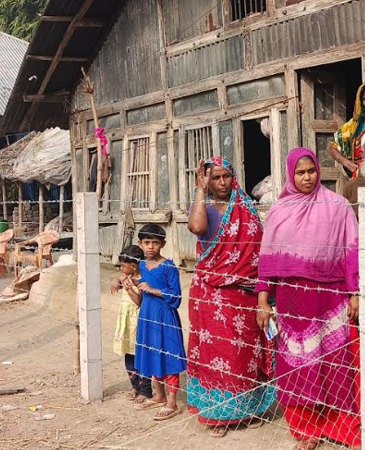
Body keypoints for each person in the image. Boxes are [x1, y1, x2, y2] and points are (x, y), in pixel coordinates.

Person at [255, 148, 361, 450]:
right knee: (299, 362)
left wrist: (355, 293)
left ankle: (342, 427)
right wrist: (263, 300)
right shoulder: (279, 210)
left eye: (311, 171)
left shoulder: (338, 206)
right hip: (292, 299)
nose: (306, 177)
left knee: (335, 360)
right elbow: (268, 259)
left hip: (332, 296)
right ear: (291, 174)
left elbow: (351, 252)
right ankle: (306, 429)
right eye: (300, 172)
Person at [186, 156, 275, 438]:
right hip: (213, 294)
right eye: (215, 178)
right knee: (219, 353)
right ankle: (219, 415)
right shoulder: (205, 207)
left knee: (244, 352)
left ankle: (249, 409)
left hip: (245, 293)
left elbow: (259, 249)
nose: (222, 183)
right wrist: (199, 190)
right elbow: (198, 228)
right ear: (207, 181)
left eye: (226, 176)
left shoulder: (245, 208)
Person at [133, 224, 187, 421]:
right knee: (151, 352)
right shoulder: (140, 265)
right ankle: (159, 395)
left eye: (155, 243)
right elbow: (133, 283)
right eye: (146, 243)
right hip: (147, 316)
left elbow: (176, 297)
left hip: (165, 317)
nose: (150, 247)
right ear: (140, 243)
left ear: (162, 244)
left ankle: (172, 402)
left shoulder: (168, 266)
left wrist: (153, 289)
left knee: (168, 355)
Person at [110, 244, 152, 404]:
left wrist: (129, 290)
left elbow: (139, 302)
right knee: (128, 352)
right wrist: (116, 281)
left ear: (133, 266)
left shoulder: (142, 280)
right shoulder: (126, 276)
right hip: (126, 322)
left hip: (137, 321)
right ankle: (134, 386)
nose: (121, 268)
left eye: (123, 265)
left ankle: (145, 390)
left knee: (140, 354)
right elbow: (118, 278)